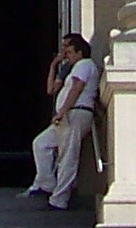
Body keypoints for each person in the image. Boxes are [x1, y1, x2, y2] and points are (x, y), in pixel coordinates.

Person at [28, 32, 100, 208]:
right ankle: (48, 184)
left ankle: (59, 199)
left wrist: (62, 111)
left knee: (68, 156)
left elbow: (77, 88)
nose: (66, 55)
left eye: (69, 52)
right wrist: (55, 65)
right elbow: (52, 89)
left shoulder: (84, 65)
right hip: (67, 115)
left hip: (75, 113)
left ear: (79, 52)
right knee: (41, 144)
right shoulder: (73, 68)